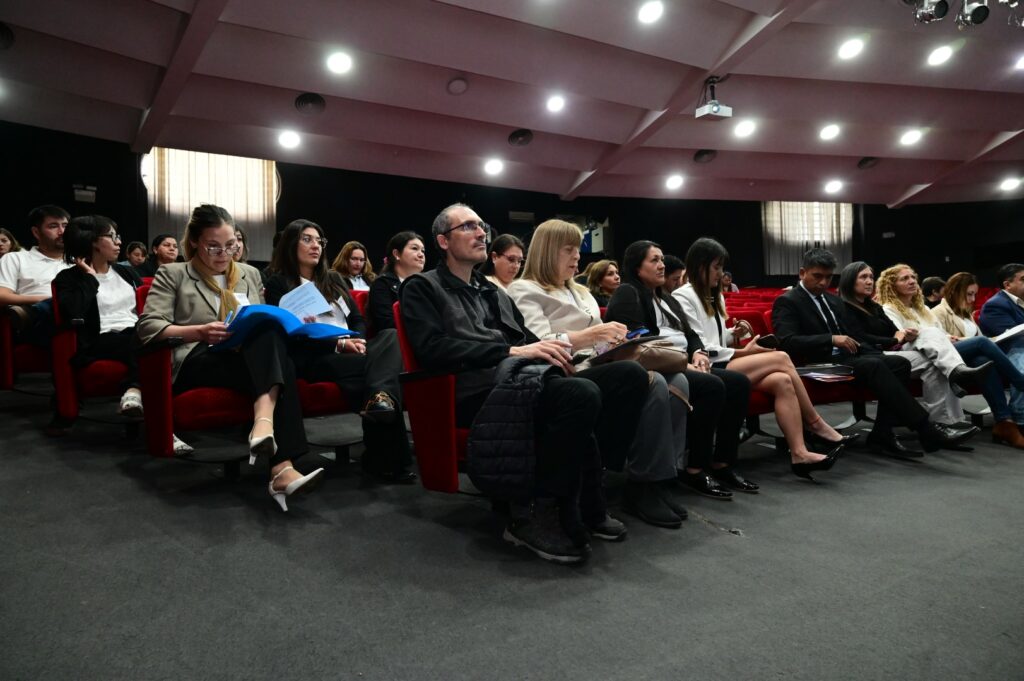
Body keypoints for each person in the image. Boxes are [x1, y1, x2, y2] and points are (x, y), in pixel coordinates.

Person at [400, 203, 650, 565]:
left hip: (519, 380)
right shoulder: (422, 287)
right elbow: (432, 349)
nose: (480, 232)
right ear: (442, 241)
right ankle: (535, 511)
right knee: (579, 394)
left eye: (481, 225)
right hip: (471, 391)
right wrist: (510, 351)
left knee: (628, 376)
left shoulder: (494, 292)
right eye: (467, 226)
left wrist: (560, 354)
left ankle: (585, 487)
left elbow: (531, 341)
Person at [136, 204, 323, 511]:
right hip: (196, 357)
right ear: (194, 241)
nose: (223, 254)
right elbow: (148, 327)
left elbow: (261, 322)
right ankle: (276, 454)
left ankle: (273, 448)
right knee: (282, 366)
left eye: (230, 245)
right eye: (213, 246)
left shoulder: (249, 274)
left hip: (240, 357)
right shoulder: (173, 273)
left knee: (269, 333)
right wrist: (199, 331)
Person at [507, 219, 692, 528]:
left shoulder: (581, 292)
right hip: (563, 373)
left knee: (678, 379)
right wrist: (590, 337)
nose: (577, 256)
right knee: (648, 379)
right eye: (569, 249)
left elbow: (597, 341)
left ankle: (653, 481)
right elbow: (538, 343)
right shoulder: (524, 289)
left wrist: (616, 341)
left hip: (598, 364)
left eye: (577, 249)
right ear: (548, 251)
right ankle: (627, 482)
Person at [771, 248, 977, 458]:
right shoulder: (788, 301)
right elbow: (787, 341)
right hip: (816, 364)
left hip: (846, 358)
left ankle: (882, 434)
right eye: (817, 276)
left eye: (828, 277)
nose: (823, 282)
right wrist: (831, 339)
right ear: (802, 273)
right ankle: (926, 429)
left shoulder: (832, 301)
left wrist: (878, 351)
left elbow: (854, 337)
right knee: (875, 365)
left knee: (899, 363)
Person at [676, 238, 848, 479]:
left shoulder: (714, 295)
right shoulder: (683, 296)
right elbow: (699, 346)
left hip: (722, 359)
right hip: (705, 367)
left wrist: (732, 334)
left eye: (721, 267)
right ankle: (815, 423)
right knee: (781, 358)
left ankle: (799, 454)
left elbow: (715, 338)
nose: (721, 274)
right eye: (716, 267)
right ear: (700, 265)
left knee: (782, 381)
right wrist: (746, 352)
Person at [264, 219, 414, 482]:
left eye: (319, 241)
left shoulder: (333, 279)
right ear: (291, 243)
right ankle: (387, 458)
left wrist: (356, 341)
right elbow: (288, 332)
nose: (316, 246)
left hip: (350, 346)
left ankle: (379, 400)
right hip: (314, 354)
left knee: (390, 337)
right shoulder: (279, 283)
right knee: (380, 371)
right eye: (307, 239)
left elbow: (356, 319)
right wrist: (338, 344)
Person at [607, 240, 755, 498]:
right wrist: (684, 363)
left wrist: (698, 353)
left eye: (662, 259)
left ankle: (723, 462)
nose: (662, 265)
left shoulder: (666, 297)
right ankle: (695, 467)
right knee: (712, 386)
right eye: (654, 260)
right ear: (637, 267)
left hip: (683, 361)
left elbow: (691, 335)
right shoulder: (628, 293)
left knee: (739, 383)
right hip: (659, 366)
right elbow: (637, 345)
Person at [875, 264, 994, 423]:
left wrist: (948, 337)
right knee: (931, 334)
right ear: (892, 285)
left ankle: (953, 422)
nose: (912, 281)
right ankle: (956, 371)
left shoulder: (923, 308)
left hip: (932, 352)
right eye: (904, 279)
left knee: (941, 363)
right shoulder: (887, 308)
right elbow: (898, 337)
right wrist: (915, 334)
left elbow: (941, 333)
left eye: (913, 277)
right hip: (904, 351)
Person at [933, 272, 1024, 448]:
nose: (972, 299)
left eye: (974, 294)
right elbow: (935, 341)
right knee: (982, 343)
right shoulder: (938, 312)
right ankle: (1020, 381)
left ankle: (1004, 421)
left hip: (972, 361)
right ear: (954, 291)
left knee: (983, 361)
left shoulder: (966, 314)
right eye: (969, 294)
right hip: (948, 359)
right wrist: (962, 340)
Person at [0, 205, 71, 346]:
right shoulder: (16, 258)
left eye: (65, 226)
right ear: (36, 232)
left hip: (78, 318)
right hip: (40, 326)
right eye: (53, 226)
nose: (62, 232)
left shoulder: (79, 262)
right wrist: (48, 299)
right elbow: (2, 296)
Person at [978, 263, 1024, 434]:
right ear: (1007, 284)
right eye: (1023, 279)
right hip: (1006, 353)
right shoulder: (995, 305)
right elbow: (1009, 338)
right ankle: (1020, 418)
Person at [367, 231, 425, 334]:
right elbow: (387, 323)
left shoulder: (425, 285)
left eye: (423, 251)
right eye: (414, 248)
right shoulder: (382, 284)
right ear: (397, 254)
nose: (421, 255)